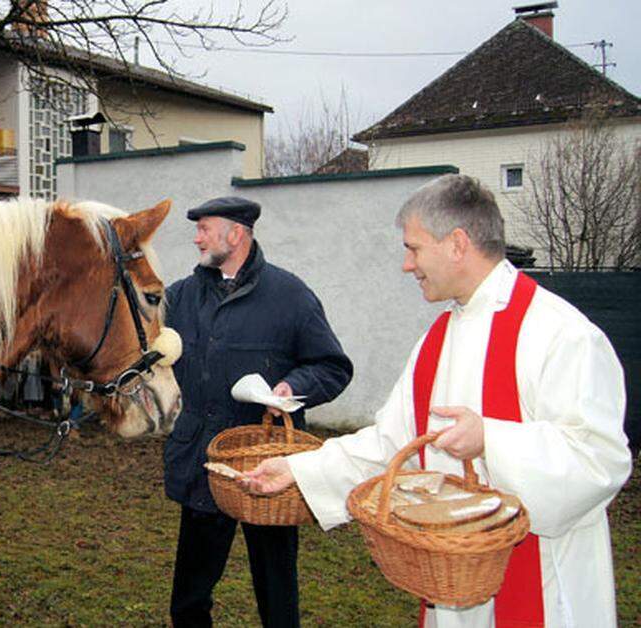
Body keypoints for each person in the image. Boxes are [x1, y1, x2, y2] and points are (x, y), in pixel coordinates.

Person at [242, 174, 632, 627]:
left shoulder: (562, 333)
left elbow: (601, 459)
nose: (407, 265)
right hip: (453, 587)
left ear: (457, 244)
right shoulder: (437, 338)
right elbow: (393, 445)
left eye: (414, 248)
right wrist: (298, 469)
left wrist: (492, 439)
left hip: (544, 585)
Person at [163, 197, 353, 628]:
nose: (196, 238)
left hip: (269, 469)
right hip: (204, 464)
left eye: (205, 228)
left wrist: (293, 386)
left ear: (236, 234)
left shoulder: (290, 296)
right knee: (189, 599)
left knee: (277, 595)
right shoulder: (181, 297)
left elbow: (332, 367)